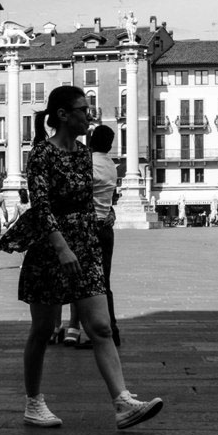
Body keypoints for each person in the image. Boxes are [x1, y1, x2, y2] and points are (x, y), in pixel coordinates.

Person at [0, 86, 163, 430]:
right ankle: (34, 402)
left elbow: (86, 200)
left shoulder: (85, 155)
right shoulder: (42, 154)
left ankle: (122, 402)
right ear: (62, 115)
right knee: (44, 328)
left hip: (85, 244)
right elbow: (40, 205)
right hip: (51, 247)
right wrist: (60, 246)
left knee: (100, 326)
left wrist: (104, 216)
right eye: (83, 109)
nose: (89, 115)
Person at [89, 125, 121, 347]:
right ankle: (112, 329)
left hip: (89, 228)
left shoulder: (88, 163)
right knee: (104, 282)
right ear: (109, 145)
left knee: (89, 284)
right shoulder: (111, 165)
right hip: (106, 229)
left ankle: (93, 332)